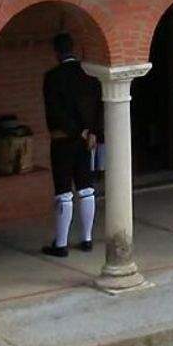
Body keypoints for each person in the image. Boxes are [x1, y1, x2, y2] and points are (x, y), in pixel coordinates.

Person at [41, 32, 102, 257]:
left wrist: (78, 130)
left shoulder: (52, 77)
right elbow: (98, 106)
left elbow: (55, 112)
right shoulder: (89, 74)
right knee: (86, 188)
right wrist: (93, 131)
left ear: (56, 52)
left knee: (64, 191)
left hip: (64, 139)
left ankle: (61, 244)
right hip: (87, 140)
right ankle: (86, 238)